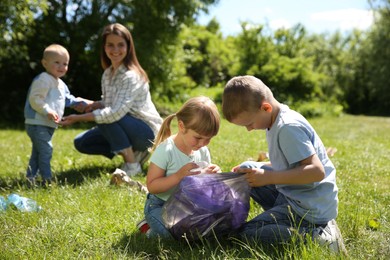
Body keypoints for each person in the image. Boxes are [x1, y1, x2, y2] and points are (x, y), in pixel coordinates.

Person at [222, 75, 347, 253]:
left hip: (307, 209)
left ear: (265, 107)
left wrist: (268, 177)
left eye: (249, 124)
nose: (249, 129)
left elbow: (316, 172)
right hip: (297, 196)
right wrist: (257, 170)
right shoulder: (273, 120)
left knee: (247, 233)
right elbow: (289, 164)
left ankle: (320, 239)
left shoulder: (288, 128)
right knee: (248, 170)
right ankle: (297, 221)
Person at [60, 23, 162, 176]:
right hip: (123, 123)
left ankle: (132, 164)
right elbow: (109, 103)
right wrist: (90, 104)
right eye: (110, 45)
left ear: (128, 47)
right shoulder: (108, 74)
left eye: (120, 45)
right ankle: (132, 153)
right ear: (104, 47)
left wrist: (79, 118)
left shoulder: (131, 76)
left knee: (105, 117)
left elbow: (114, 112)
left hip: (146, 133)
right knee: (82, 142)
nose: (115, 50)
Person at [139, 96, 222, 238]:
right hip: (160, 205)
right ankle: (148, 227)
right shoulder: (166, 150)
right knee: (178, 235)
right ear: (182, 126)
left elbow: (202, 185)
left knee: (208, 228)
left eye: (208, 139)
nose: (203, 143)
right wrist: (178, 176)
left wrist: (211, 175)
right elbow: (152, 186)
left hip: (186, 206)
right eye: (198, 137)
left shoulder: (201, 150)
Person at [24, 44, 86, 187]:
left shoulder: (61, 84)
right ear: (45, 63)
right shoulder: (43, 79)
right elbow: (35, 99)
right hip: (37, 122)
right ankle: (47, 180)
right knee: (46, 150)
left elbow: (67, 99)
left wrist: (83, 103)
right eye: (56, 62)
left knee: (38, 152)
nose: (61, 66)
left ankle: (30, 178)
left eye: (65, 63)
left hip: (46, 123)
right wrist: (48, 111)